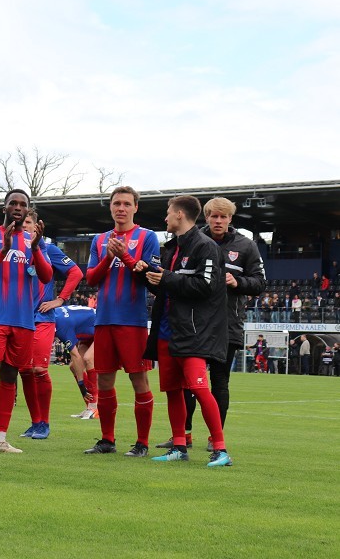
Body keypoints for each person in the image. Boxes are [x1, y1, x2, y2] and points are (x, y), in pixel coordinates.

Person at [158, 197, 266, 452]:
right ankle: (184, 435)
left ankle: (214, 439)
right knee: (187, 382)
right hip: (194, 323)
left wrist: (238, 282)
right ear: (205, 217)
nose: (218, 221)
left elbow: (260, 283)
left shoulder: (246, 245)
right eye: (214, 216)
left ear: (230, 219)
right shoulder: (192, 240)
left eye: (223, 217)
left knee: (219, 381)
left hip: (227, 324)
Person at [143, 195, 233, 467]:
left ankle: (221, 449)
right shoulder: (172, 247)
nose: (166, 218)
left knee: (199, 388)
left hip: (193, 332)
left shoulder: (205, 246)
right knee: (173, 391)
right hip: (166, 329)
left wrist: (167, 277)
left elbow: (206, 286)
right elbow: (167, 287)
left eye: (168, 212)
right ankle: (179, 446)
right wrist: (146, 275)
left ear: (180, 214)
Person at [0, 189, 52, 454]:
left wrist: (37, 247)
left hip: (24, 321)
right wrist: (4, 249)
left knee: (10, 377)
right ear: (4, 208)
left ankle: (0, 439)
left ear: (28, 210)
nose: (18, 207)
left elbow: (46, 275)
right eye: (13, 203)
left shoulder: (33, 239)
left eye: (22, 204)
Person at [83, 186, 159, 458]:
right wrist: (108, 257)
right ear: (110, 207)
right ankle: (107, 440)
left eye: (127, 203)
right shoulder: (100, 239)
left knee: (139, 380)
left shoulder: (148, 237)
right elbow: (91, 278)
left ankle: (142, 443)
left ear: (136, 207)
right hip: (104, 320)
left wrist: (124, 255)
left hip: (133, 322)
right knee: (104, 380)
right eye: (117, 203)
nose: (121, 208)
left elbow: (148, 276)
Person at [19, 209, 83, 440]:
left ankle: (44, 423)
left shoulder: (49, 250)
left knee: (38, 369)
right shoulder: (14, 251)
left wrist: (60, 300)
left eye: (28, 222)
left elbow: (76, 273)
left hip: (42, 318)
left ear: (37, 226)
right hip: (19, 319)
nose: (24, 226)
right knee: (25, 371)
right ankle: (35, 422)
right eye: (21, 223)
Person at [52, 305, 99, 420]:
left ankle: (94, 407)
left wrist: (82, 385)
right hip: (90, 330)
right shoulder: (55, 316)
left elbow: (76, 356)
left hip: (102, 327)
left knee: (88, 359)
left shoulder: (61, 326)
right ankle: (89, 408)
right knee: (73, 367)